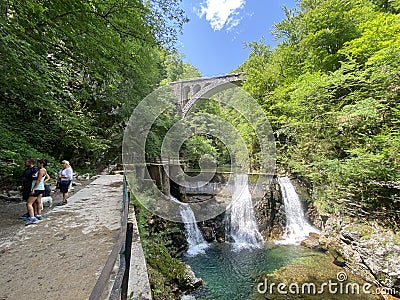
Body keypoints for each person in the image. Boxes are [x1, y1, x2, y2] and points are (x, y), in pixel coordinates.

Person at [25, 159, 50, 226]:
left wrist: (33, 188)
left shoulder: (41, 171)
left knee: (29, 203)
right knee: (38, 201)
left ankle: (32, 217)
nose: (37, 164)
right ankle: (39, 215)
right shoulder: (44, 170)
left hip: (37, 188)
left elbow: (38, 180)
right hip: (41, 188)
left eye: (38, 163)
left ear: (41, 163)